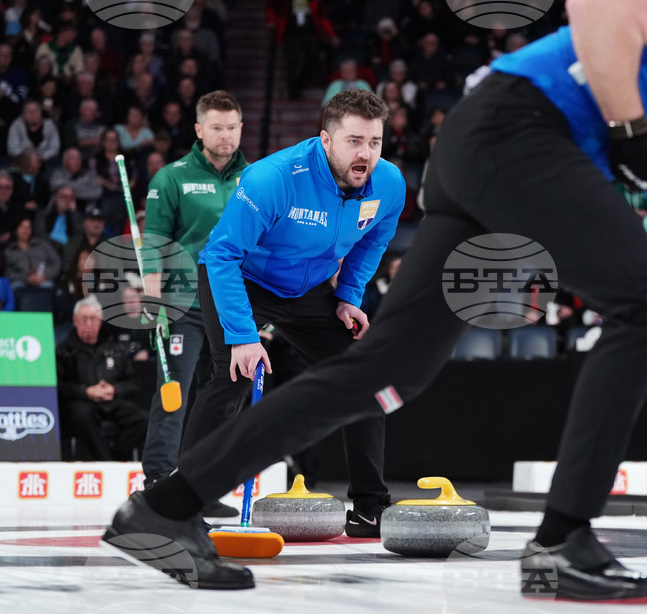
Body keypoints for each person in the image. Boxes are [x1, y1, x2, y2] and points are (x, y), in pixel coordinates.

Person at [105, 0, 647, 601]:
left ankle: (164, 509)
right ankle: (564, 541)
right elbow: (597, 6)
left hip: (511, 160)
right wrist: (630, 131)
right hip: (513, 126)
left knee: (389, 372)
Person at [174, 88, 405, 535]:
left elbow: (374, 239)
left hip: (309, 286)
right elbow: (221, 255)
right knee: (232, 376)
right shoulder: (273, 178)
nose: (366, 154)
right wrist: (243, 336)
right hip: (241, 276)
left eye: (374, 142)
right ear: (325, 140)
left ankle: (370, 507)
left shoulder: (389, 183)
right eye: (354, 141)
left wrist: (348, 298)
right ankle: (180, 502)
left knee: (363, 377)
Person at [139, 91, 248, 514]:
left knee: (221, 399)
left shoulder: (254, 178)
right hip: (183, 302)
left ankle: (201, 485)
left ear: (242, 128)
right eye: (217, 127)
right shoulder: (172, 177)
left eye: (233, 127)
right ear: (199, 129)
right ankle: (158, 480)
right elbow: (155, 241)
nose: (226, 135)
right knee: (176, 392)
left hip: (233, 303)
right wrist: (151, 292)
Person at [55, 296, 148, 460]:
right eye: (84, 319)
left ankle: (117, 457)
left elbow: (134, 384)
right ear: (74, 321)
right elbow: (59, 386)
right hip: (80, 404)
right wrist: (86, 391)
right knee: (82, 414)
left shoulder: (115, 348)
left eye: (93, 319)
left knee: (143, 419)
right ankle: (106, 462)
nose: (89, 324)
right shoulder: (63, 351)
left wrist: (115, 389)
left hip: (111, 402)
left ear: (100, 322)